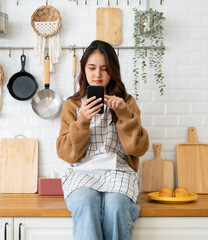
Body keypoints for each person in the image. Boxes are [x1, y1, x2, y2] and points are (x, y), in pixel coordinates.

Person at [56, 40, 149, 240]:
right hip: (82, 173)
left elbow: (138, 148)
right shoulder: (72, 105)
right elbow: (66, 154)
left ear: (113, 72)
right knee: (85, 203)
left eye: (104, 69)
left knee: (117, 206)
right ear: (84, 70)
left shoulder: (127, 102)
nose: (97, 75)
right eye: (92, 68)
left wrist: (124, 114)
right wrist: (83, 120)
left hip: (119, 172)